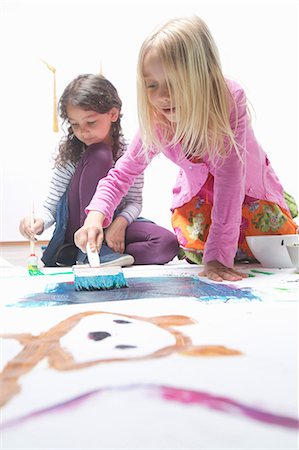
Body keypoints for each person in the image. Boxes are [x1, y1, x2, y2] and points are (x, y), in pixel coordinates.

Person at [74, 17, 298, 282]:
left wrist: (218, 258)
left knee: (272, 247)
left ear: (203, 76)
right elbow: (122, 174)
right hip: (200, 194)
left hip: (247, 189)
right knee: (196, 248)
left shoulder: (228, 100)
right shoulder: (158, 121)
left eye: (174, 82)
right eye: (152, 84)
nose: (162, 96)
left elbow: (230, 182)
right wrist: (95, 217)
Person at [19, 74, 179, 267]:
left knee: (167, 243)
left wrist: (120, 223)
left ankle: (103, 255)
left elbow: (134, 202)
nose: (82, 131)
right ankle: (88, 250)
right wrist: (38, 222)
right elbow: (52, 204)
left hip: (109, 224)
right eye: (75, 124)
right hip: (78, 228)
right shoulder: (73, 153)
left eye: (91, 122)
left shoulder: (129, 151)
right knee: (100, 153)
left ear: (113, 114)